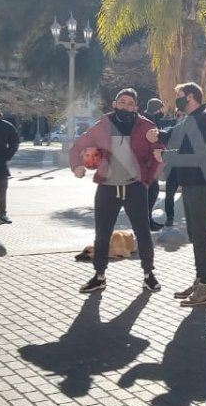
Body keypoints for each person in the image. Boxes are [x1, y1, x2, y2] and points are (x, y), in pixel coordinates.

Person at [70, 88, 164, 294]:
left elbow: (159, 155)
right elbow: (78, 145)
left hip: (134, 188)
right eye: (122, 102)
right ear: (114, 104)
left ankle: (149, 275)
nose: (126, 106)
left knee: (143, 232)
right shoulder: (102, 125)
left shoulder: (147, 127)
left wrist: (146, 181)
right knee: (102, 235)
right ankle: (99, 276)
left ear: (136, 108)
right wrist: (77, 165)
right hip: (107, 188)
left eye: (131, 103)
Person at [161, 82, 206, 307]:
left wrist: (167, 156)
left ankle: (205, 286)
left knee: (200, 235)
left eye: (179, 96)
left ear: (190, 96)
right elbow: (174, 135)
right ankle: (199, 280)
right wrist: (155, 134)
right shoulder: (191, 118)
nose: (176, 99)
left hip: (203, 183)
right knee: (194, 233)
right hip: (191, 183)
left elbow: (197, 151)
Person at [144, 98, 169, 231]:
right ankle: (147, 221)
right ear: (158, 109)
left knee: (151, 191)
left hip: (147, 162)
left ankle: (148, 220)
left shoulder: (146, 117)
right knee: (152, 192)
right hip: (149, 162)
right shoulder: (149, 121)